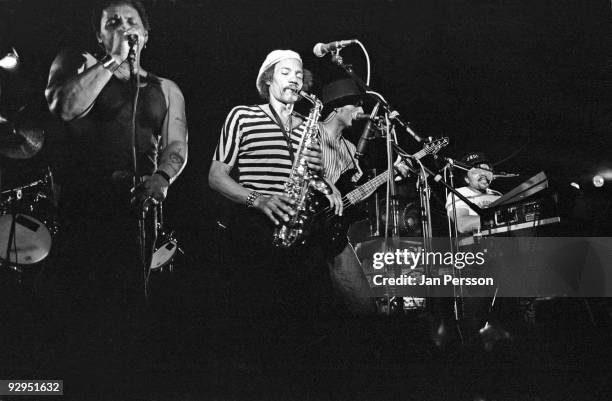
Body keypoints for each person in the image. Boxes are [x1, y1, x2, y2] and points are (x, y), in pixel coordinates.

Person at [44, 0, 188, 369]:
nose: (123, 27)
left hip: (137, 213)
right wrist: (112, 61)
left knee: (127, 309)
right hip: (85, 206)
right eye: (113, 22)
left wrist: (163, 177)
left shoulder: (166, 88)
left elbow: (176, 144)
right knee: (79, 309)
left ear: (146, 34)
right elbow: (63, 106)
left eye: (130, 21)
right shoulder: (77, 63)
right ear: (99, 34)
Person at [209, 49, 333, 362]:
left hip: (296, 227)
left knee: (304, 326)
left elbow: (315, 181)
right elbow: (215, 176)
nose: (295, 79)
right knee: (254, 325)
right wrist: (258, 199)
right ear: (268, 79)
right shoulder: (242, 115)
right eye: (286, 72)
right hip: (253, 226)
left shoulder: (310, 124)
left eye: (299, 74)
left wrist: (319, 174)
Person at [317, 78, 376, 315]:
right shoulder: (308, 132)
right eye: (357, 106)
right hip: (308, 224)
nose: (362, 112)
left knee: (364, 305)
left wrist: (393, 174)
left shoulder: (351, 149)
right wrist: (327, 185)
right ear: (338, 107)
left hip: (336, 232)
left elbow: (354, 195)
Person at [445, 152, 501, 234]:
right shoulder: (459, 193)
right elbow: (462, 225)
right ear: (467, 179)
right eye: (476, 171)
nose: (483, 174)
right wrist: (500, 218)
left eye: (486, 169)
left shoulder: (497, 195)